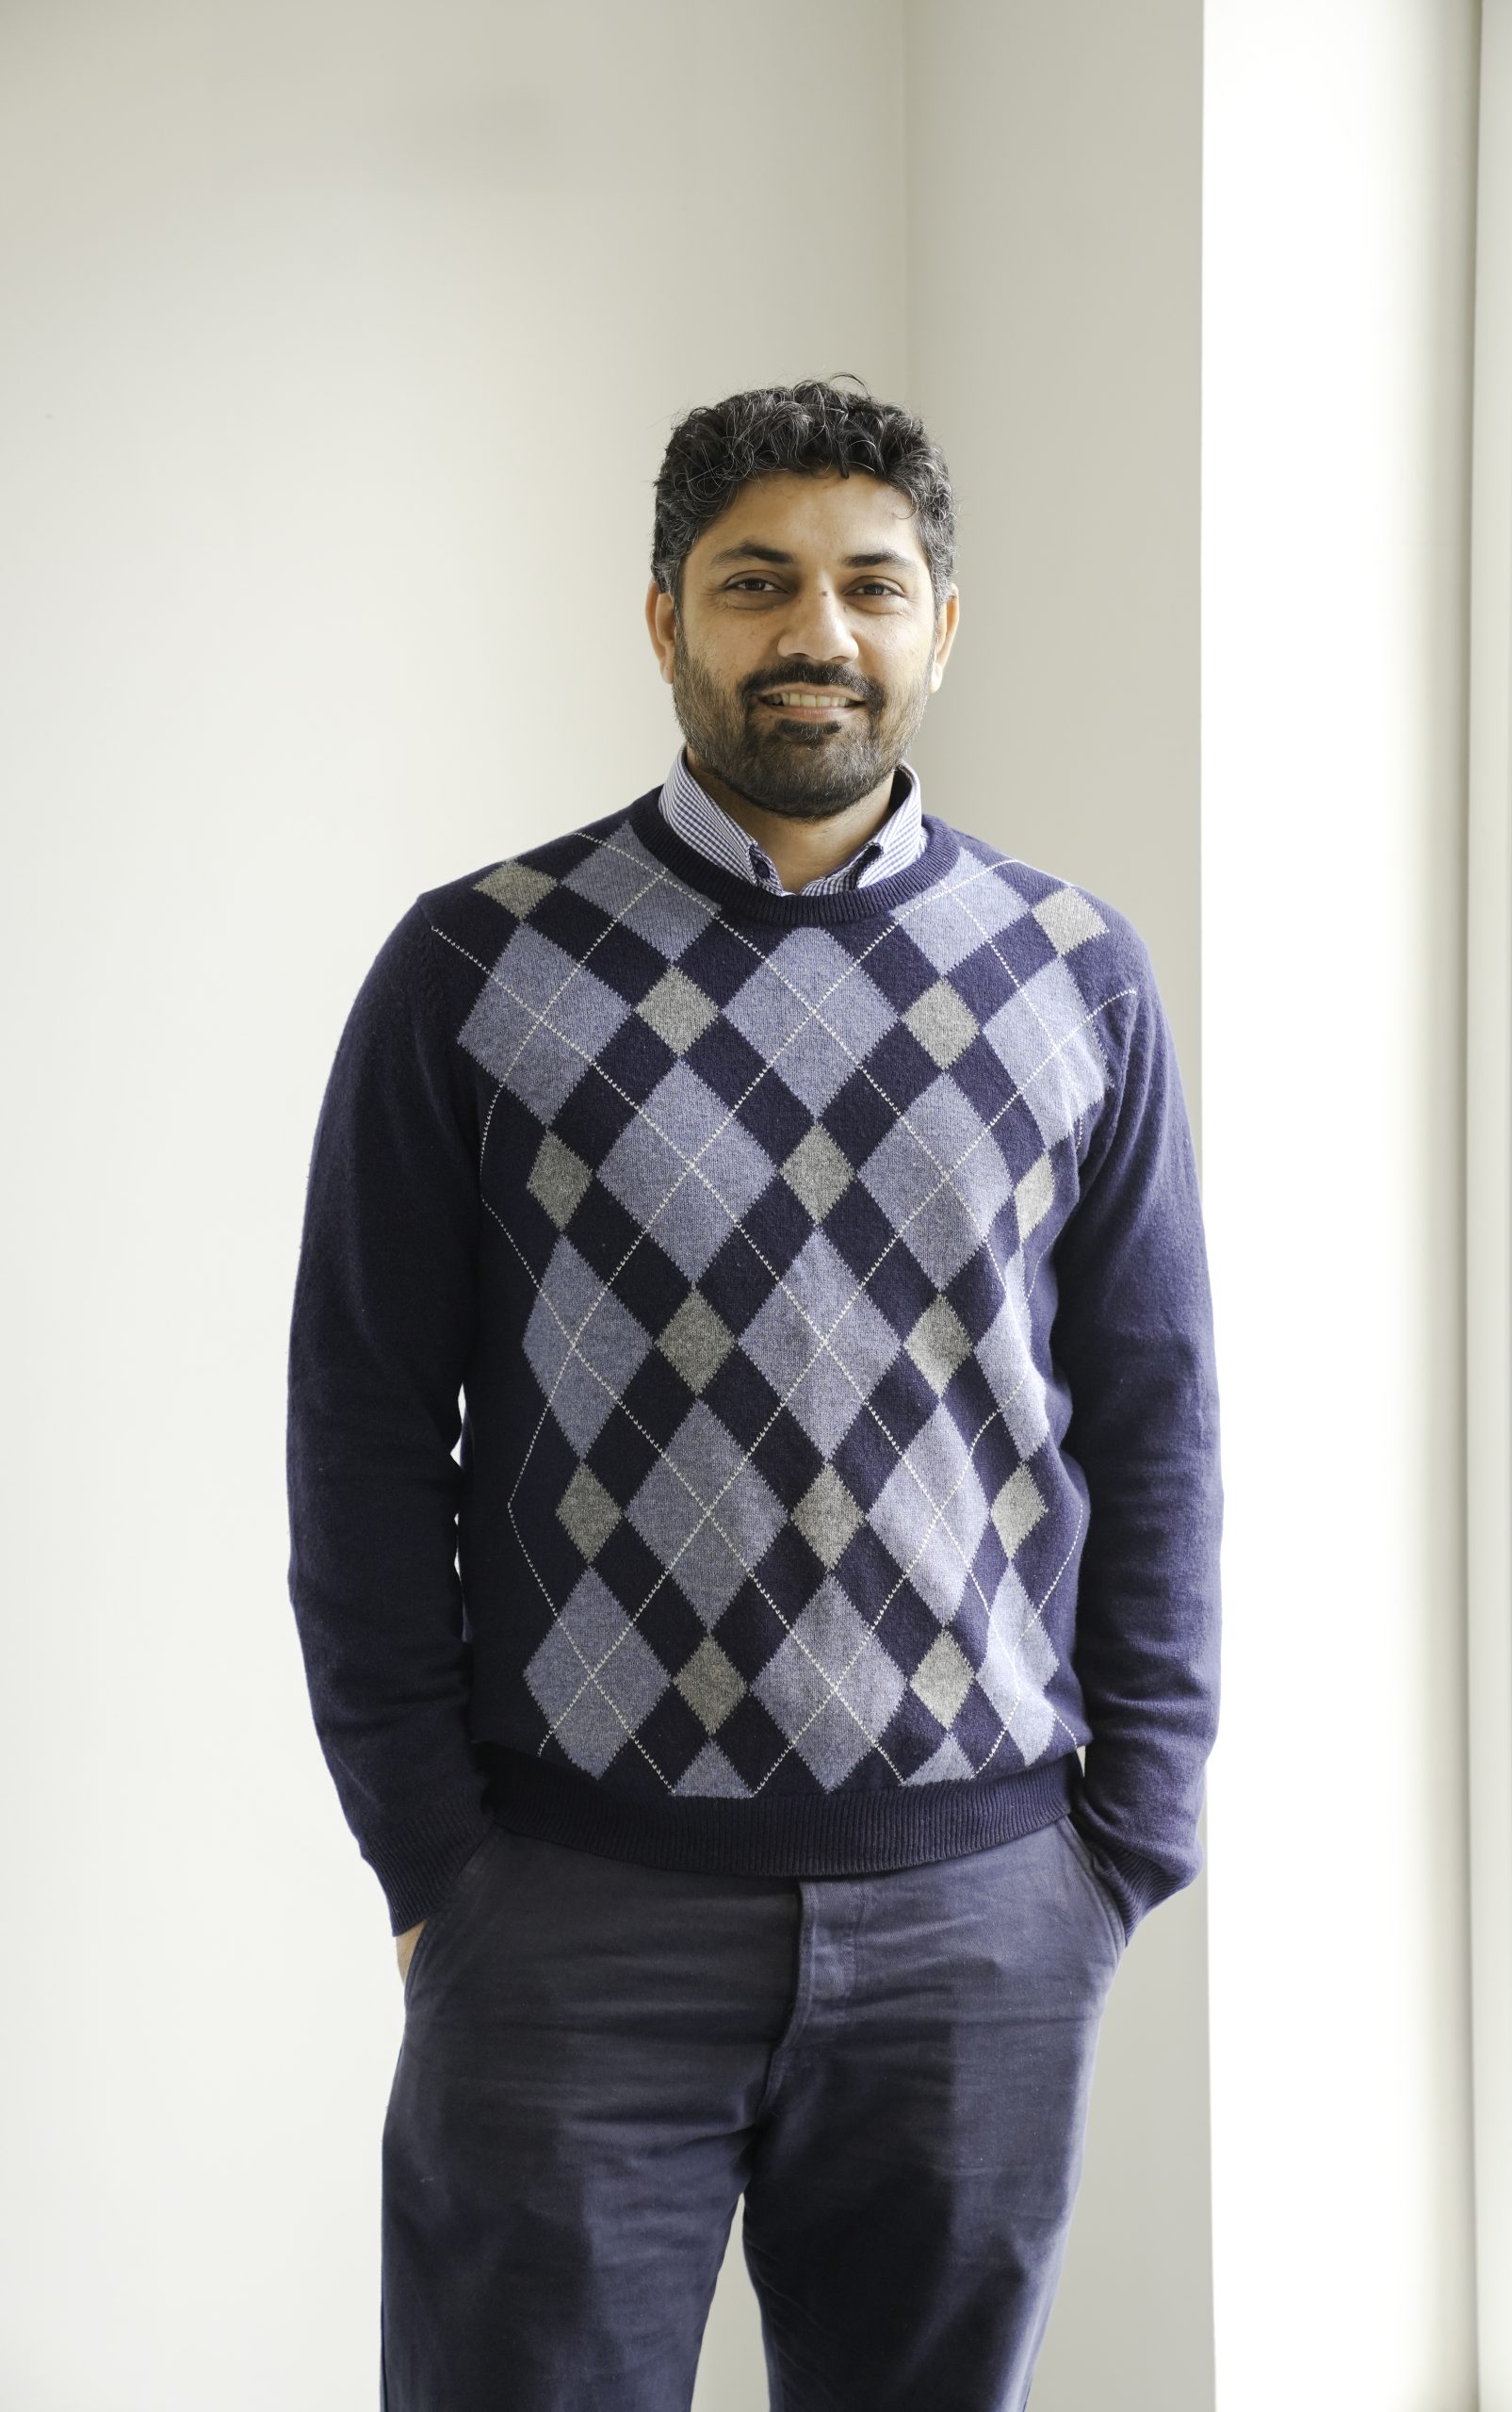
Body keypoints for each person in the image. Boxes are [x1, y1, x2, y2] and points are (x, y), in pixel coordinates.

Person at [286, 377, 1223, 2412]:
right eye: (755, 582)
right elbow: (360, 1433)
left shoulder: (1076, 975)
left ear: (941, 626)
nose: (817, 631)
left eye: (870, 584)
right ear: (662, 620)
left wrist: (1123, 1833)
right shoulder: (473, 968)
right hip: (570, 1912)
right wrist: (429, 1854)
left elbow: (1152, 1419)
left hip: (979, 1919)